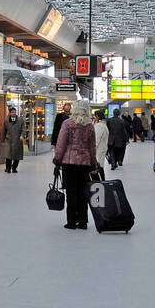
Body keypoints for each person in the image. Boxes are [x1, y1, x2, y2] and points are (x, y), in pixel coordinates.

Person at [53, 99, 97, 230]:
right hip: (84, 163)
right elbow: (92, 147)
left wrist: (57, 159)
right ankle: (83, 221)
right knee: (83, 192)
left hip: (69, 162)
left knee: (71, 192)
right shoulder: (90, 126)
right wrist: (93, 163)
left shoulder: (68, 123)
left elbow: (61, 143)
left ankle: (71, 221)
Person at [1, 105, 25, 173]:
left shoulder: (20, 120)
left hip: (18, 140)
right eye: (12, 112)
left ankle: (14, 168)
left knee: (17, 156)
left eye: (15, 112)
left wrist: (22, 135)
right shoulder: (6, 120)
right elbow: (3, 131)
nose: (14, 113)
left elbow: (24, 129)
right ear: (9, 113)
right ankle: (8, 168)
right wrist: (2, 140)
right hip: (9, 140)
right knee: (8, 155)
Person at [92, 110, 109, 177]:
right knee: (100, 168)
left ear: (97, 116)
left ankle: (100, 184)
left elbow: (95, 140)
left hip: (98, 151)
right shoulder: (103, 125)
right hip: (101, 149)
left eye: (94, 116)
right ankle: (102, 182)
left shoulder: (99, 126)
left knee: (98, 169)